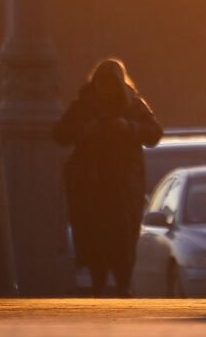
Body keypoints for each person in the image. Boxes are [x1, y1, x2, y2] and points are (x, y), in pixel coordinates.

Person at [53, 58, 163, 297]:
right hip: (89, 185)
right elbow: (60, 133)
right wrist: (87, 129)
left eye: (111, 83)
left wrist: (128, 127)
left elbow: (154, 133)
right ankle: (98, 282)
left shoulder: (133, 106)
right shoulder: (83, 106)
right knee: (92, 236)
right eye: (102, 83)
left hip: (123, 185)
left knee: (123, 235)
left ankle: (123, 284)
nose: (107, 89)